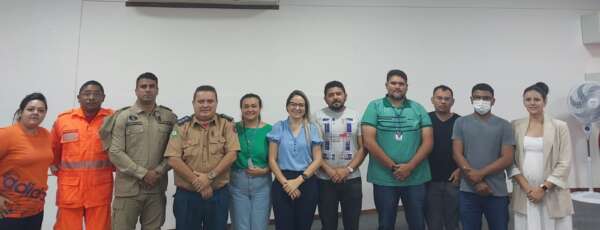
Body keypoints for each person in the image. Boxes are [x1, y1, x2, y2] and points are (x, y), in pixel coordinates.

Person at [100, 72, 177, 230]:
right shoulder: (123, 117)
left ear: (157, 90)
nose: (147, 90)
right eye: (143, 86)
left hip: (156, 188)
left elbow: (174, 151)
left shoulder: (169, 117)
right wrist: (142, 173)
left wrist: (158, 172)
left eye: (151, 86)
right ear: (136, 90)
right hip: (128, 190)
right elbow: (115, 151)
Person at [361, 69, 433, 230]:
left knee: (417, 223)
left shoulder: (418, 108)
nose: (397, 87)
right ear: (386, 85)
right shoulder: (374, 107)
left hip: (416, 177)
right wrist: (394, 167)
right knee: (386, 223)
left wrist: (410, 167)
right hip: (384, 177)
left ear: (407, 87)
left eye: (401, 84)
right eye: (393, 83)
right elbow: (369, 141)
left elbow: (428, 141)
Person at [164, 85, 240, 230]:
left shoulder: (227, 124)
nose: (205, 105)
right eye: (201, 101)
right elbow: (173, 158)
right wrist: (198, 182)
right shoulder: (181, 126)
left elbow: (232, 154)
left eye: (210, 101)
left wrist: (209, 177)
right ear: (193, 103)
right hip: (187, 196)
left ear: (216, 103)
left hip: (218, 194)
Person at [51, 81, 114, 230]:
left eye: (96, 94)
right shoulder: (63, 121)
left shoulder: (113, 119)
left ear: (103, 97)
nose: (91, 97)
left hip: (99, 190)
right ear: (79, 97)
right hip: (70, 191)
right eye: (87, 94)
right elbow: (52, 152)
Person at [510, 82, 574, 230]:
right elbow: (510, 161)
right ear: (524, 102)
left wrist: (543, 188)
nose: (532, 103)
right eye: (528, 99)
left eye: (537, 99)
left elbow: (565, 162)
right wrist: (528, 189)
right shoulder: (515, 126)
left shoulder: (560, 126)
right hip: (525, 191)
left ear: (544, 101)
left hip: (551, 191)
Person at [452, 83, 514, 230]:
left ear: (493, 101)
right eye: (477, 97)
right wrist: (475, 181)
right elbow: (457, 154)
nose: (481, 101)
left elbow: (507, 158)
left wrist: (479, 174)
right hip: (468, 190)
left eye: (486, 98)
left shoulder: (504, 125)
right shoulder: (460, 123)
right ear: (471, 99)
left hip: (496, 191)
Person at [313, 81, 365, 230]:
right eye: (331, 95)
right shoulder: (316, 116)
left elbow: (363, 148)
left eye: (338, 94)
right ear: (325, 98)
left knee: (352, 223)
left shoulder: (356, 115)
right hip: (324, 179)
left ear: (345, 96)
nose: (335, 97)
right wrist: (329, 170)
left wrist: (347, 170)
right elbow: (313, 149)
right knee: (328, 224)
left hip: (352, 178)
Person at [268, 90, 323, 230]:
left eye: (301, 105)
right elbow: (272, 160)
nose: (297, 108)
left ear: (306, 108)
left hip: (307, 181)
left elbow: (318, 160)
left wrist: (298, 181)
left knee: (303, 225)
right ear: (287, 106)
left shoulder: (312, 128)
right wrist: (287, 184)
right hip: (282, 181)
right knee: (283, 225)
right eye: (293, 104)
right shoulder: (278, 127)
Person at [0, 93, 53, 230]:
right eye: (31, 109)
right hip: (8, 211)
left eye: (41, 110)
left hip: (36, 209)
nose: (36, 113)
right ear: (21, 111)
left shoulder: (46, 135)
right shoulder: (6, 135)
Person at [230, 93, 272, 230]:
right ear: (241, 109)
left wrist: (265, 170)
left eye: (254, 106)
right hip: (237, 182)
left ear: (260, 108)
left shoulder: (270, 130)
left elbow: (276, 159)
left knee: (259, 225)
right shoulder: (233, 129)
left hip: (262, 183)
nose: (250, 109)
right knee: (240, 225)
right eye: (246, 106)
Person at [426, 85, 460, 230]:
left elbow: (469, 150)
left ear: (452, 101)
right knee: (433, 222)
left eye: (447, 99)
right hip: (429, 180)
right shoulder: (425, 120)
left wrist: (461, 169)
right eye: (439, 98)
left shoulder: (461, 122)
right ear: (432, 100)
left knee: (453, 221)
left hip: (455, 179)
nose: (443, 101)